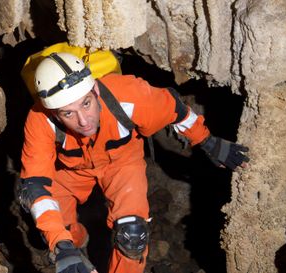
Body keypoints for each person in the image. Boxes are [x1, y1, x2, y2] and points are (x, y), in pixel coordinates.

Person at [16, 51, 249, 273]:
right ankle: (76, 241)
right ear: (54, 113)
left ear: (95, 89)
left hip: (122, 163)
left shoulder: (128, 95)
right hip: (70, 171)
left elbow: (175, 109)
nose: (84, 121)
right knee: (57, 231)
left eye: (86, 104)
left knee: (133, 236)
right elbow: (36, 187)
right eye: (68, 113)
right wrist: (61, 245)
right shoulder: (40, 120)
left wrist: (207, 141)